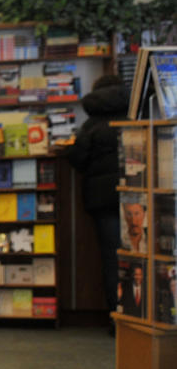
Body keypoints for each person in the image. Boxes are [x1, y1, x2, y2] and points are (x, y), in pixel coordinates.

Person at [67, 74, 128, 313]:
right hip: (136, 195)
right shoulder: (136, 117)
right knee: (139, 254)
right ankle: (140, 316)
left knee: (111, 257)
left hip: (102, 199)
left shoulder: (91, 125)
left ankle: (116, 315)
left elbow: (77, 159)